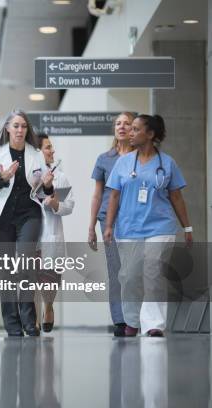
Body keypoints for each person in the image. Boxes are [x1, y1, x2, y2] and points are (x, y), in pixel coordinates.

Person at [103, 114, 192, 337]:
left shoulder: (167, 163)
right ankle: (132, 321)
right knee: (129, 276)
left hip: (160, 227)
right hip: (129, 228)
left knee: (154, 274)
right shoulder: (123, 162)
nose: (130, 133)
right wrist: (108, 226)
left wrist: (187, 228)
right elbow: (113, 196)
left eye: (135, 129)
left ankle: (153, 324)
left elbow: (177, 197)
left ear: (150, 134)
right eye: (130, 129)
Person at [0, 110, 54, 337]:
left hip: (29, 215)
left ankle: (30, 321)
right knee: (8, 273)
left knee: (27, 267)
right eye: (16, 126)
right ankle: (12, 323)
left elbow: (43, 189)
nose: (20, 130)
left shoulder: (36, 154)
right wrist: (2, 180)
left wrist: (48, 186)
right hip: (3, 219)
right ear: (8, 129)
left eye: (24, 127)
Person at [88, 112, 135, 337]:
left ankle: (135, 318)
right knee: (116, 270)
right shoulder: (104, 159)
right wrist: (91, 226)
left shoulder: (141, 158)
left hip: (136, 219)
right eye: (118, 124)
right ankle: (120, 320)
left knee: (135, 270)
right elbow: (97, 194)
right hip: (108, 219)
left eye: (127, 123)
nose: (122, 127)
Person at [36, 133, 74, 332]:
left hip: (51, 234)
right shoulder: (28, 175)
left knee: (50, 279)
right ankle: (32, 319)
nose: (52, 151)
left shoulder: (60, 177)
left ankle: (48, 306)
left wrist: (55, 203)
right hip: (31, 235)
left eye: (52, 147)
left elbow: (69, 206)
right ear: (37, 152)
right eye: (48, 147)